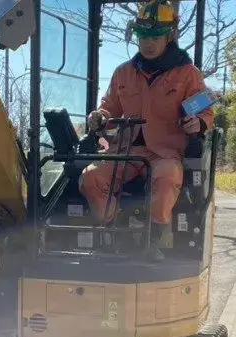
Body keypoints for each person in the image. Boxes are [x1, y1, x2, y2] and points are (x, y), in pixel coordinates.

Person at [79, 0, 214, 248]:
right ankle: (115, 229)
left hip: (165, 152)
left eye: (155, 36)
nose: (148, 43)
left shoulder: (187, 73)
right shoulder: (123, 72)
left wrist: (198, 123)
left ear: (170, 35)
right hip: (126, 151)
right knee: (91, 177)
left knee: (166, 177)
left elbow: (205, 111)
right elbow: (109, 108)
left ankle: (155, 240)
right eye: (143, 36)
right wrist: (99, 116)